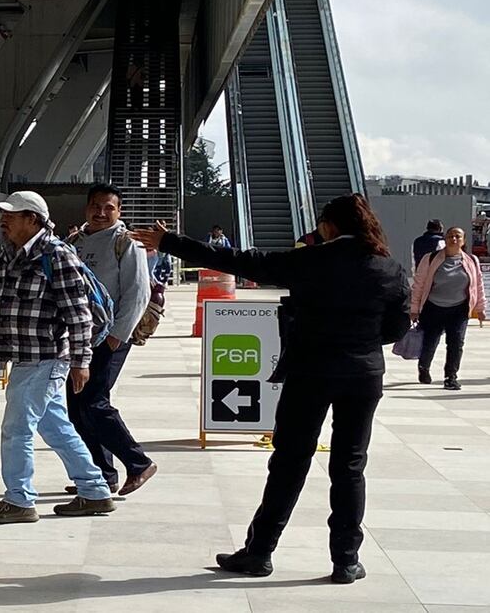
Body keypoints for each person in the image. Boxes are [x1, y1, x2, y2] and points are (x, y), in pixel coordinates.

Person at [133, 194, 409, 585]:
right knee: (350, 465)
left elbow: (241, 261)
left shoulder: (311, 260)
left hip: (310, 371)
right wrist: (360, 340)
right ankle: (346, 560)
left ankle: (260, 552)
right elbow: (397, 328)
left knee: (290, 461)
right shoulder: (389, 268)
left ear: (329, 226)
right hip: (362, 375)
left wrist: (171, 242)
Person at [0, 190, 115, 524]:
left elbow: (79, 316)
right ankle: (95, 490)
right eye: (3, 214)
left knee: (16, 429)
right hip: (25, 357)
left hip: (46, 358)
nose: (3, 220)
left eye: (11, 215)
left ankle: (19, 500)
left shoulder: (56, 256)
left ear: (33, 220)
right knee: (55, 427)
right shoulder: (10, 253)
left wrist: (81, 362)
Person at [64, 183, 157, 496]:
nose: (101, 213)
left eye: (109, 208)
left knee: (94, 402)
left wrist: (117, 336)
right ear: (86, 208)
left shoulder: (126, 243)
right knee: (77, 408)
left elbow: (138, 292)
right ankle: (101, 474)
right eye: (96, 206)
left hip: (110, 337)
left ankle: (139, 463)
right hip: (80, 337)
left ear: (119, 211)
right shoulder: (74, 242)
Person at [411, 226, 486, 390]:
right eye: (450, 236)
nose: (454, 239)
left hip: (459, 309)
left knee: (456, 343)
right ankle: (424, 367)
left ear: (463, 241)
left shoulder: (472, 260)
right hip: (433, 307)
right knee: (430, 342)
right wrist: (414, 309)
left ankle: (450, 377)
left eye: (458, 236)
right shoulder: (430, 258)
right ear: (444, 239)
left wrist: (480, 308)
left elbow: (478, 285)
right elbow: (419, 285)